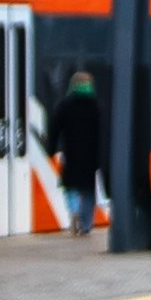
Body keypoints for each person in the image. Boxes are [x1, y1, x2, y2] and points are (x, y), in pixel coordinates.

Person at [46, 67, 107, 236]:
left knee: (70, 186)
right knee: (88, 190)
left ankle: (73, 211)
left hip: (71, 153)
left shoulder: (65, 105)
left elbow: (55, 129)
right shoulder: (96, 105)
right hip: (91, 156)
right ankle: (86, 224)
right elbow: (104, 132)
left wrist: (50, 149)